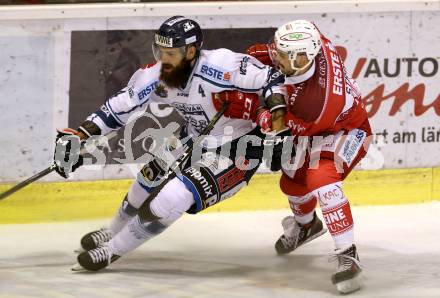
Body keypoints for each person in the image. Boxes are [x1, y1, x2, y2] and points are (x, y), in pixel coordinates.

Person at [53, 16, 287, 272]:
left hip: (238, 147)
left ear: (191, 51)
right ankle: (112, 231)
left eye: (171, 53)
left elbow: (273, 80)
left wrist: (276, 129)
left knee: (174, 195)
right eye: (160, 51)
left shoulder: (223, 64)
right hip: (194, 135)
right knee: (149, 175)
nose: (164, 59)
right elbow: (116, 109)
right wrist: (80, 136)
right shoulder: (156, 75)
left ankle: (113, 250)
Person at [222, 20, 371, 294]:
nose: (276, 56)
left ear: (301, 58)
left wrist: (258, 112)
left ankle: (348, 255)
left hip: (347, 130)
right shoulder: (316, 41)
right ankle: (306, 227)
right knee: (292, 180)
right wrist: (263, 54)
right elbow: (290, 40)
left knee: (321, 178)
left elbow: (281, 125)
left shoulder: (315, 102)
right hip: (320, 125)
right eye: (279, 51)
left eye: (283, 54)